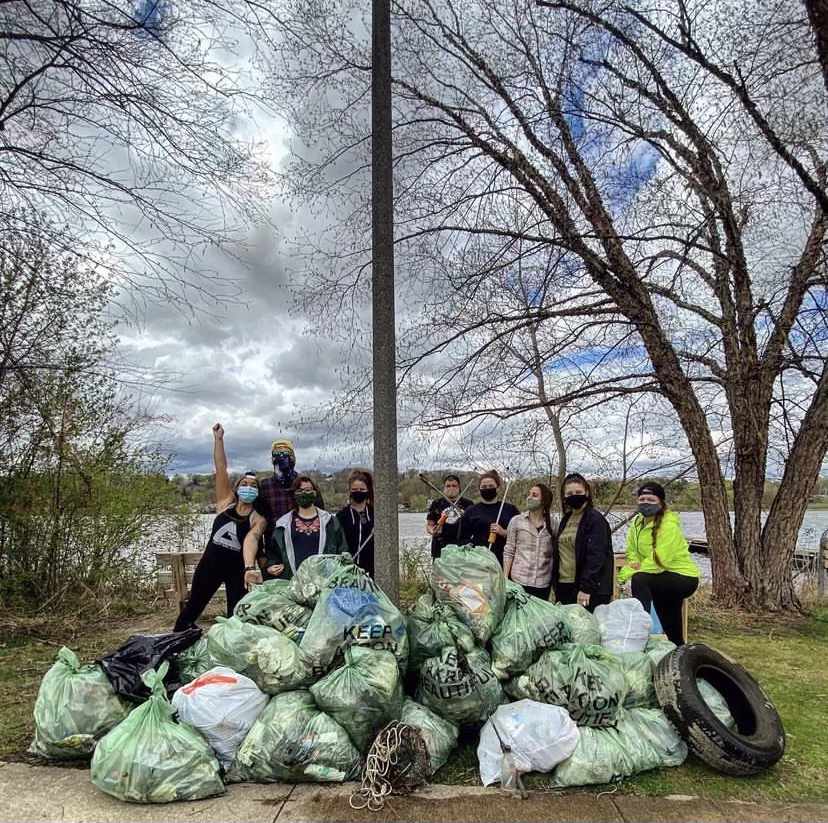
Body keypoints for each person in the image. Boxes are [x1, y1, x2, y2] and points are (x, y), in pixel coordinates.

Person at [174, 424, 266, 630]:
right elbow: (221, 468)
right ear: (237, 487)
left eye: (253, 486)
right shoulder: (225, 504)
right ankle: (174, 648)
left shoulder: (257, 518)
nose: (248, 488)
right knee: (191, 610)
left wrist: (250, 568)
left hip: (237, 572)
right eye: (244, 484)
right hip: (209, 567)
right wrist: (218, 440)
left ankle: (231, 653)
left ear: (258, 493)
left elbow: (252, 539)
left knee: (235, 618)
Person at [618, 481, 700, 645]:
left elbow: (659, 560)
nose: (645, 503)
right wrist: (633, 563)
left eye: (650, 499)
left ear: (661, 502)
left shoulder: (668, 525)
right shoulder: (637, 522)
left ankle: (641, 633)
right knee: (671, 626)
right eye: (642, 499)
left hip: (683, 577)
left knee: (640, 579)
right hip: (661, 577)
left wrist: (630, 572)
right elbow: (632, 549)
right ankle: (679, 652)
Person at [242, 439, 323, 589]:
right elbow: (257, 525)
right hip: (276, 557)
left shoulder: (305, 486)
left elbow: (322, 521)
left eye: (286, 454)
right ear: (272, 459)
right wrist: (261, 557)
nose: (282, 458)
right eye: (277, 454)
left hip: (306, 553)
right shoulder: (265, 487)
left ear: (293, 458)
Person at [550, 472, 613, 611]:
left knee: (585, 629)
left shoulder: (595, 520)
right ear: (564, 497)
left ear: (587, 492)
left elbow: (596, 556)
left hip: (587, 589)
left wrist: (586, 588)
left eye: (578, 492)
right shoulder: (566, 519)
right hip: (564, 584)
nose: (574, 495)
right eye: (569, 493)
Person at [266, 475, 347, 580]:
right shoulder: (283, 524)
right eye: (300, 490)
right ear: (294, 494)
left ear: (315, 493)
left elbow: (342, 550)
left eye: (308, 490)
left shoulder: (330, 521)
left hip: (325, 583)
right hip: (292, 582)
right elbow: (273, 552)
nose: (304, 493)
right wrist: (272, 565)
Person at [503, 483, 558, 600]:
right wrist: (505, 578)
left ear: (544, 500)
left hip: (543, 584)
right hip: (519, 581)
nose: (529, 497)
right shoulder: (516, 521)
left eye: (534, 495)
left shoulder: (553, 524)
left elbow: (555, 554)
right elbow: (509, 550)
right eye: (529, 494)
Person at [459, 470, 519, 566]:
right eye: (484, 487)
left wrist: (504, 532)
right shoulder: (471, 511)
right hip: (479, 560)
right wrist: (471, 550)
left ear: (497, 488)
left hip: (504, 561)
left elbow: (520, 536)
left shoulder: (510, 509)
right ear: (479, 489)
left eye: (491, 486)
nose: (487, 489)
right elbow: (462, 537)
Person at [336, 469, 375, 577]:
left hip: (372, 572)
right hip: (347, 571)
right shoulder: (341, 516)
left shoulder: (376, 515)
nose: (358, 491)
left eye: (362, 489)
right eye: (355, 489)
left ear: (368, 490)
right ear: (350, 491)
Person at [425, 474, 473, 559]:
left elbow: (474, 526)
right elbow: (430, 524)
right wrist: (433, 531)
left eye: (454, 486)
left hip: (462, 550)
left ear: (459, 488)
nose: (451, 488)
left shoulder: (468, 504)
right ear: (444, 488)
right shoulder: (436, 504)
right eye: (448, 486)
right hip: (440, 549)